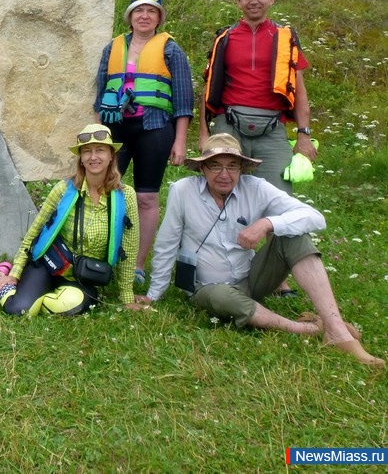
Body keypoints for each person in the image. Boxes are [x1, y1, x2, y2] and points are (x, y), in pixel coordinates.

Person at [137, 134, 383, 368]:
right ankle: (309, 329)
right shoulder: (182, 190)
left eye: (232, 166)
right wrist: (154, 294)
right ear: (202, 168)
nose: (224, 174)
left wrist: (268, 224)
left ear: (242, 168)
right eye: (215, 166)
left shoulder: (256, 187)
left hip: (251, 279)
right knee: (222, 296)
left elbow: (315, 217)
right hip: (206, 288)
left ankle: (336, 329)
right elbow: (167, 243)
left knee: (295, 237)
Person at [0, 124, 147, 316]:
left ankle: (37, 293)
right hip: (48, 265)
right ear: (81, 158)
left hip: (84, 277)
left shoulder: (125, 196)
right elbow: (35, 231)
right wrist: (15, 273)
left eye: (100, 150)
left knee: (72, 305)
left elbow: (129, 249)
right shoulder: (64, 190)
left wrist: (126, 297)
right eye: (86, 151)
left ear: (111, 155)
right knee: (19, 310)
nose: (93, 157)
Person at [94, 0, 194, 285]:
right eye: (139, 11)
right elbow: (100, 93)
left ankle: (137, 265)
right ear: (130, 17)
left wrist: (180, 141)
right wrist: (99, 133)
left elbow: (184, 100)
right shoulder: (112, 48)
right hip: (117, 129)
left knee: (146, 197)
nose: (145, 16)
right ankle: (103, 256)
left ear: (159, 18)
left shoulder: (171, 50)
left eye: (152, 11)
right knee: (105, 192)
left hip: (155, 128)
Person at [200, 0, 317, 193]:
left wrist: (304, 136)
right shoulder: (224, 38)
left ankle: (271, 230)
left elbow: (299, 91)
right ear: (238, 2)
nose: (253, 1)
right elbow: (209, 89)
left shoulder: (286, 38)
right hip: (229, 126)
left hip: (273, 128)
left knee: (278, 198)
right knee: (221, 193)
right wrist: (204, 135)